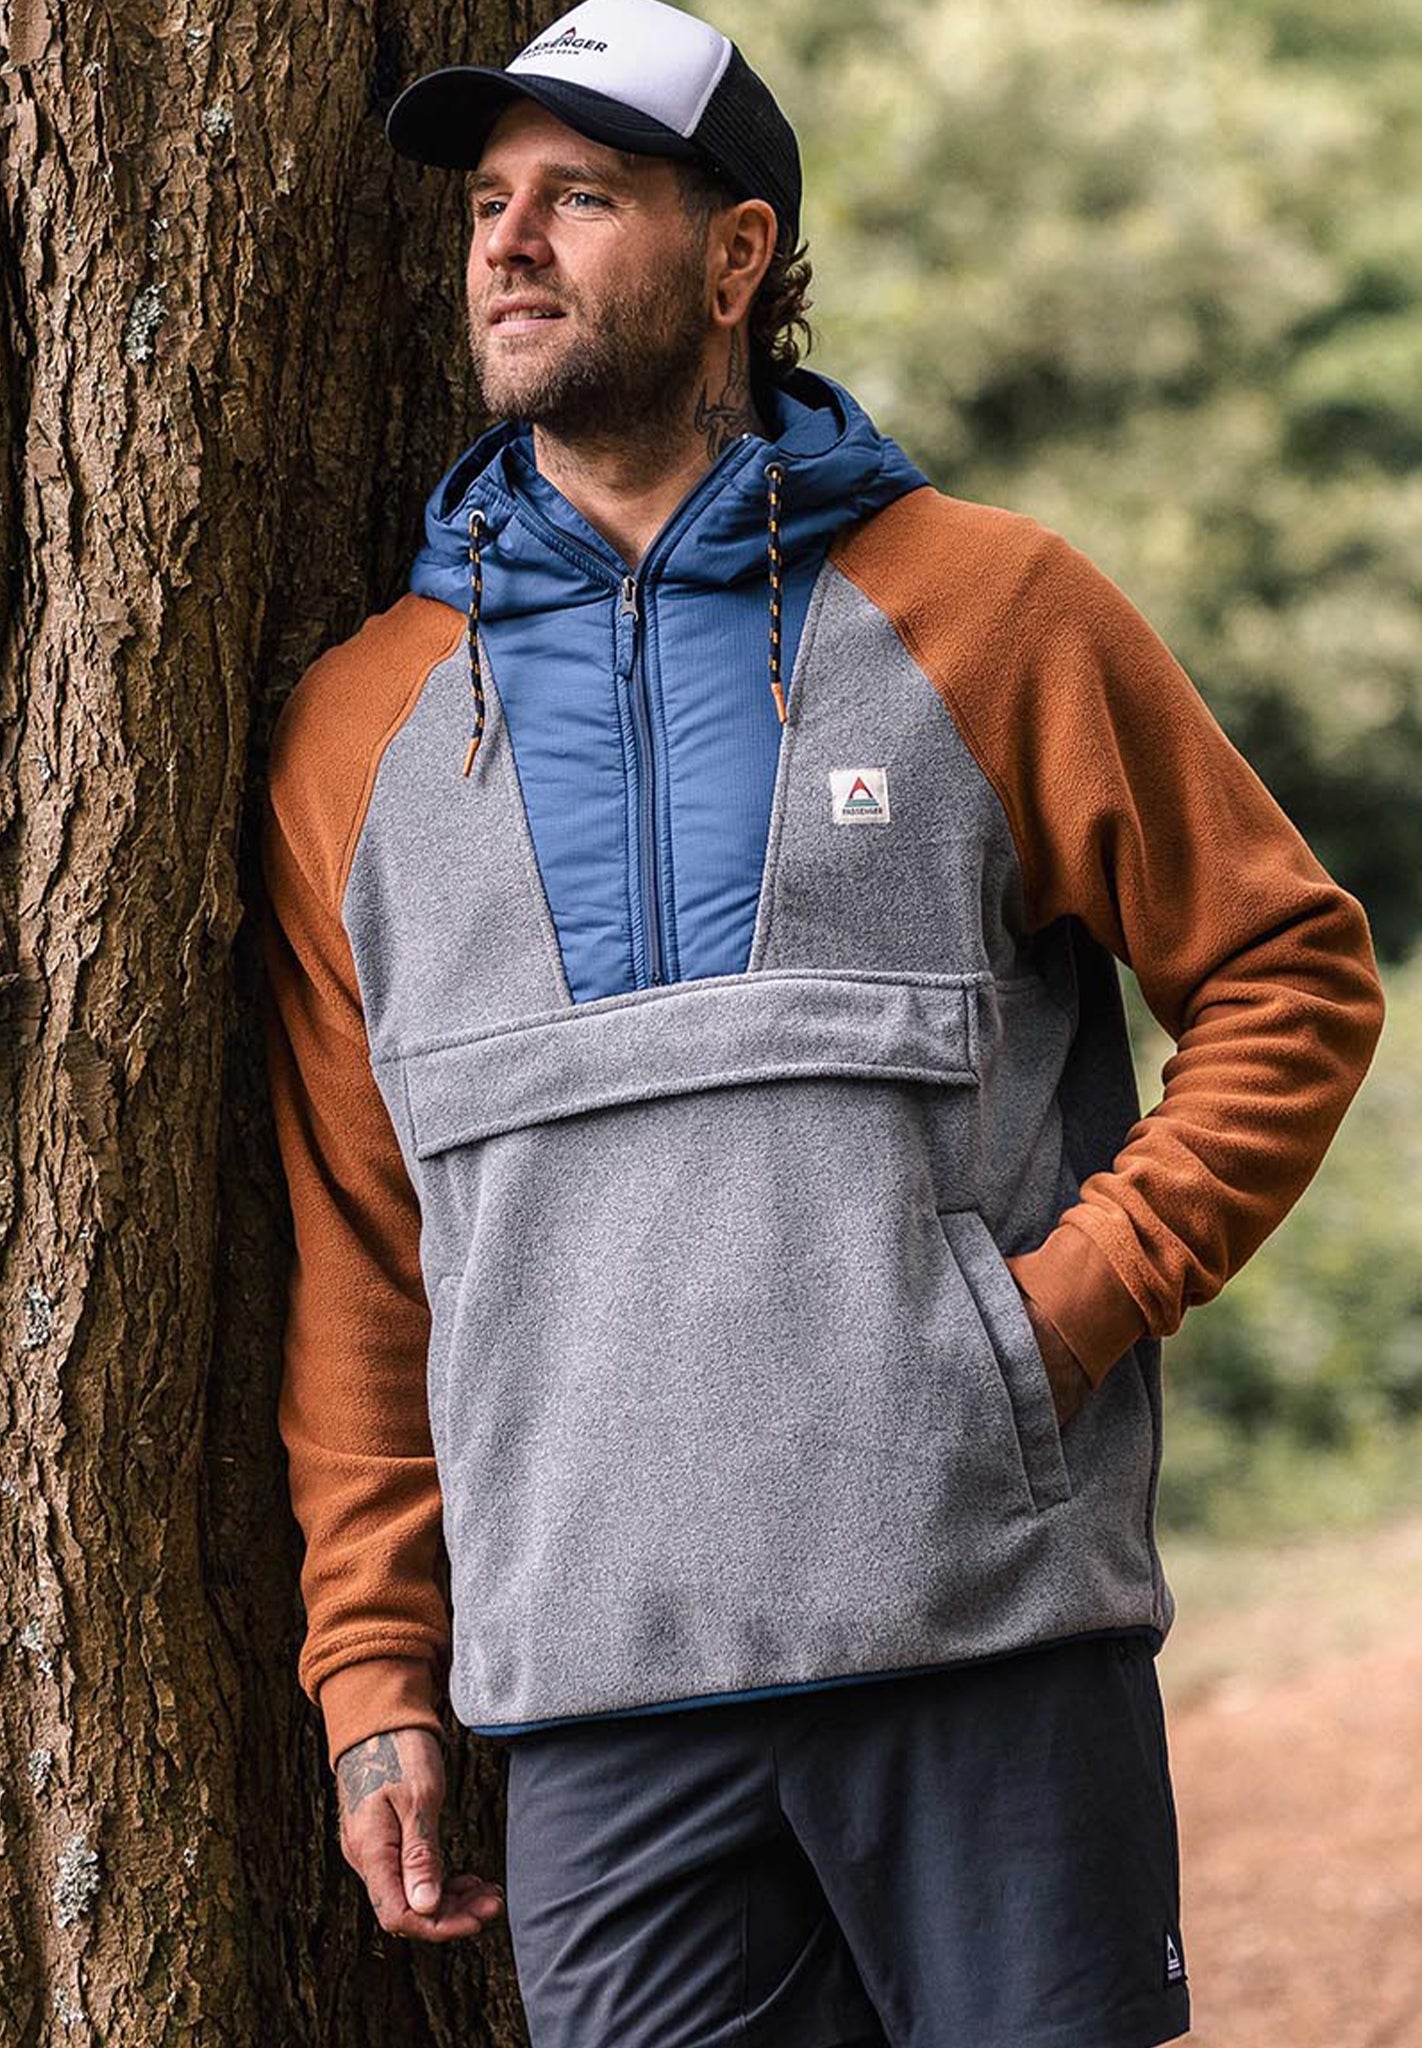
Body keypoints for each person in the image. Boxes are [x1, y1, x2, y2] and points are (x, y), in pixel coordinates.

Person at [257, 1, 1386, 2041]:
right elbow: (361, 1242)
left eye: (579, 196)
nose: (508, 242)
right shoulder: (355, 735)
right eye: (490, 204)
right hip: (594, 1706)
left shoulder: (993, 611)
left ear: (735, 259)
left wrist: (1056, 1318)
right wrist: (372, 1676)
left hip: (988, 1649)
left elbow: (1287, 972)